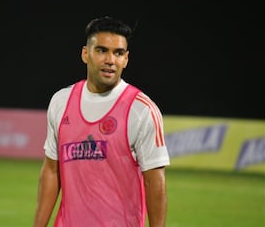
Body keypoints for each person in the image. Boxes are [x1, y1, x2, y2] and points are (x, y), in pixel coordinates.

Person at [33, 16, 170, 227]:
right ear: (85, 54)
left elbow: (155, 182)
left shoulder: (141, 110)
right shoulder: (61, 101)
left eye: (118, 53)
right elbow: (52, 170)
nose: (110, 60)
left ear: (126, 59)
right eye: (102, 50)